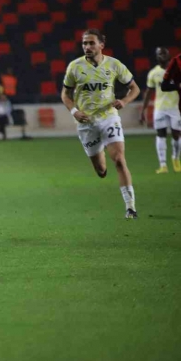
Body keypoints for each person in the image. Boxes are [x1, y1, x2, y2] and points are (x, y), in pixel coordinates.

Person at [60, 28, 141, 219]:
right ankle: (100, 159)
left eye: (91, 43)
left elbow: (135, 88)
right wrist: (74, 111)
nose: (87, 46)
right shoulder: (75, 67)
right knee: (101, 170)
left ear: (101, 45)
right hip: (86, 124)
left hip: (109, 118)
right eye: (84, 43)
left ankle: (130, 207)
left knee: (120, 160)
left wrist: (124, 101)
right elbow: (65, 94)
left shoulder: (114, 65)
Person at [141, 47, 180, 173]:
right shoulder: (153, 73)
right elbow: (148, 92)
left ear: (169, 55)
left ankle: (175, 158)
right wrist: (143, 110)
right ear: (156, 57)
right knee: (161, 134)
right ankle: (163, 165)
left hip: (175, 108)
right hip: (160, 108)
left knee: (176, 135)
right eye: (159, 53)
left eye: (164, 53)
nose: (162, 55)